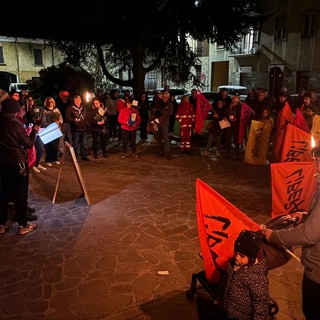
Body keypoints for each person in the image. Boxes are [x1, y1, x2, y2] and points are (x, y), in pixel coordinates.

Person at [261, 141, 320, 320]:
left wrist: (274, 236)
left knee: (312, 312)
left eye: (316, 160)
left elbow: (309, 234)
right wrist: (307, 215)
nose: (314, 165)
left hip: (317, 271)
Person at [0, 98, 39, 235]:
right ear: (14, 112)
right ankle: (23, 225)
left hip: (2, 163)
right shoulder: (14, 124)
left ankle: (1, 224)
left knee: (3, 193)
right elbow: (28, 143)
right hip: (18, 163)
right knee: (20, 194)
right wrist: (34, 131)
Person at [220, 229, 270, 320]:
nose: (237, 258)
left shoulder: (257, 278)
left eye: (242, 256)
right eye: (236, 254)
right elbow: (225, 281)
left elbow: (260, 302)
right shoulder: (232, 264)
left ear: (251, 257)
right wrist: (219, 297)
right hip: (228, 309)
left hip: (242, 316)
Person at [65, 94, 90, 161]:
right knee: (75, 143)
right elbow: (67, 118)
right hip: (75, 129)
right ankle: (74, 157)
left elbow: (87, 117)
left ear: (81, 101)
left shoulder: (83, 108)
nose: (77, 101)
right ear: (73, 100)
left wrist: (87, 124)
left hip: (84, 128)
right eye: (76, 100)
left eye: (79, 100)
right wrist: (74, 120)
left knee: (83, 143)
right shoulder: (70, 108)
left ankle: (83, 155)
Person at [40, 97, 63, 166]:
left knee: (56, 145)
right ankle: (48, 160)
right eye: (49, 102)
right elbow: (43, 121)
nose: (50, 103)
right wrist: (51, 125)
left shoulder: (56, 110)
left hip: (56, 129)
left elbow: (61, 118)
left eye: (52, 102)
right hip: (49, 130)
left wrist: (59, 123)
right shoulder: (44, 110)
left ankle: (55, 159)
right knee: (50, 145)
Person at [152, 90, 173, 160]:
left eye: (167, 93)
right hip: (158, 122)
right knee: (158, 137)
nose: (165, 95)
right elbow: (154, 110)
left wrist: (161, 111)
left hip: (164, 123)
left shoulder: (169, 103)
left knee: (165, 138)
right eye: (164, 94)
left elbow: (169, 113)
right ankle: (160, 151)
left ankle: (167, 153)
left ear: (169, 95)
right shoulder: (159, 102)